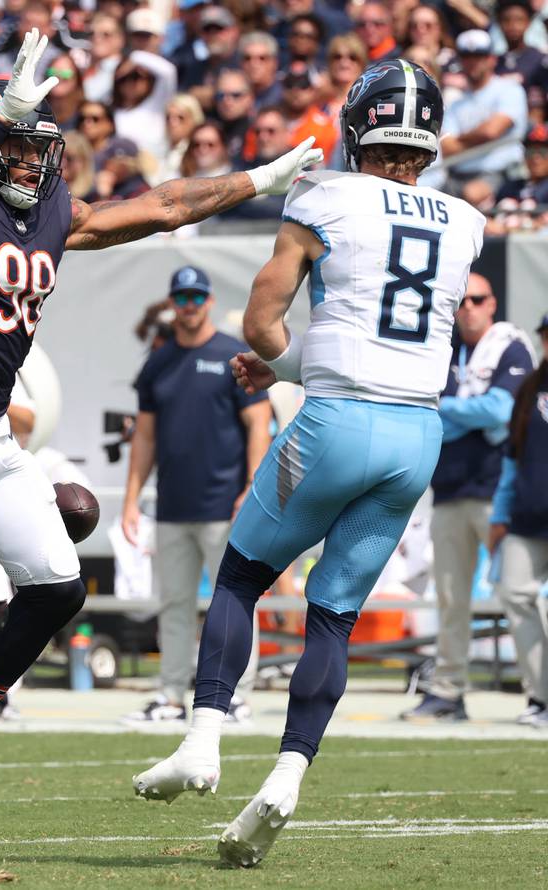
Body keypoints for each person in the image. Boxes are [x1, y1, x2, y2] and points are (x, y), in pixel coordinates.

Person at [0, 27, 321, 838]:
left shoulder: (50, 207)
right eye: (12, 146)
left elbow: (162, 207)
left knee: (57, 590)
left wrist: (259, 179)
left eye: (32, 147)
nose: (28, 161)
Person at [132, 59, 487, 868]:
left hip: (338, 422)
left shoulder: (324, 195)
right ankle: (290, 775)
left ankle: (202, 738)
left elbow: (261, 324)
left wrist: (286, 367)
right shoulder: (464, 220)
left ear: (357, 124)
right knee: (332, 613)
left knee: (240, 578)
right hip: (417, 437)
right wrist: (302, 367)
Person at [121, 266, 272, 726]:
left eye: (196, 297)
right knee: (175, 604)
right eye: (181, 296)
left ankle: (237, 695)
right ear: (173, 302)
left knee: (233, 602)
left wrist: (252, 487)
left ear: (208, 301)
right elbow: (144, 438)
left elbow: (258, 425)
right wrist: (131, 500)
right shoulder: (158, 362)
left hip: (225, 504)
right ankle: (170, 694)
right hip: (172, 506)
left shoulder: (232, 354)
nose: (189, 305)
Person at [402, 274, 535, 722]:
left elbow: (501, 412)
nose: (468, 308)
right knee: (451, 599)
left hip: (498, 491)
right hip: (450, 488)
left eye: (477, 299)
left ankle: (540, 695)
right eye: (460, 301)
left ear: (492, 302)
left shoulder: (511, 346)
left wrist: (448, 409)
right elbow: (426, 410)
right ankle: (447, 692)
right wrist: (467, 414)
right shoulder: (442, 350)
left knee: (519, 595)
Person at [489, 312, 548, 727]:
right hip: (526, 517)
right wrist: (499, 513)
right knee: (514, 594)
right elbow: (511, 460)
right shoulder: (529, 389)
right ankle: (541, 697)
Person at [441, 29, 529, 203]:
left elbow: (491, 131)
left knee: (471, 194)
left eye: (479, 56)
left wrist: (460, 140)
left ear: (492, 59)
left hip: (502, 174)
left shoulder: (510, 89)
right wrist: (479, 135)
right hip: (456, 175)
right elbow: (445, 147)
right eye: (467, 57)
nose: (473, 62)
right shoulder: (455, 102)